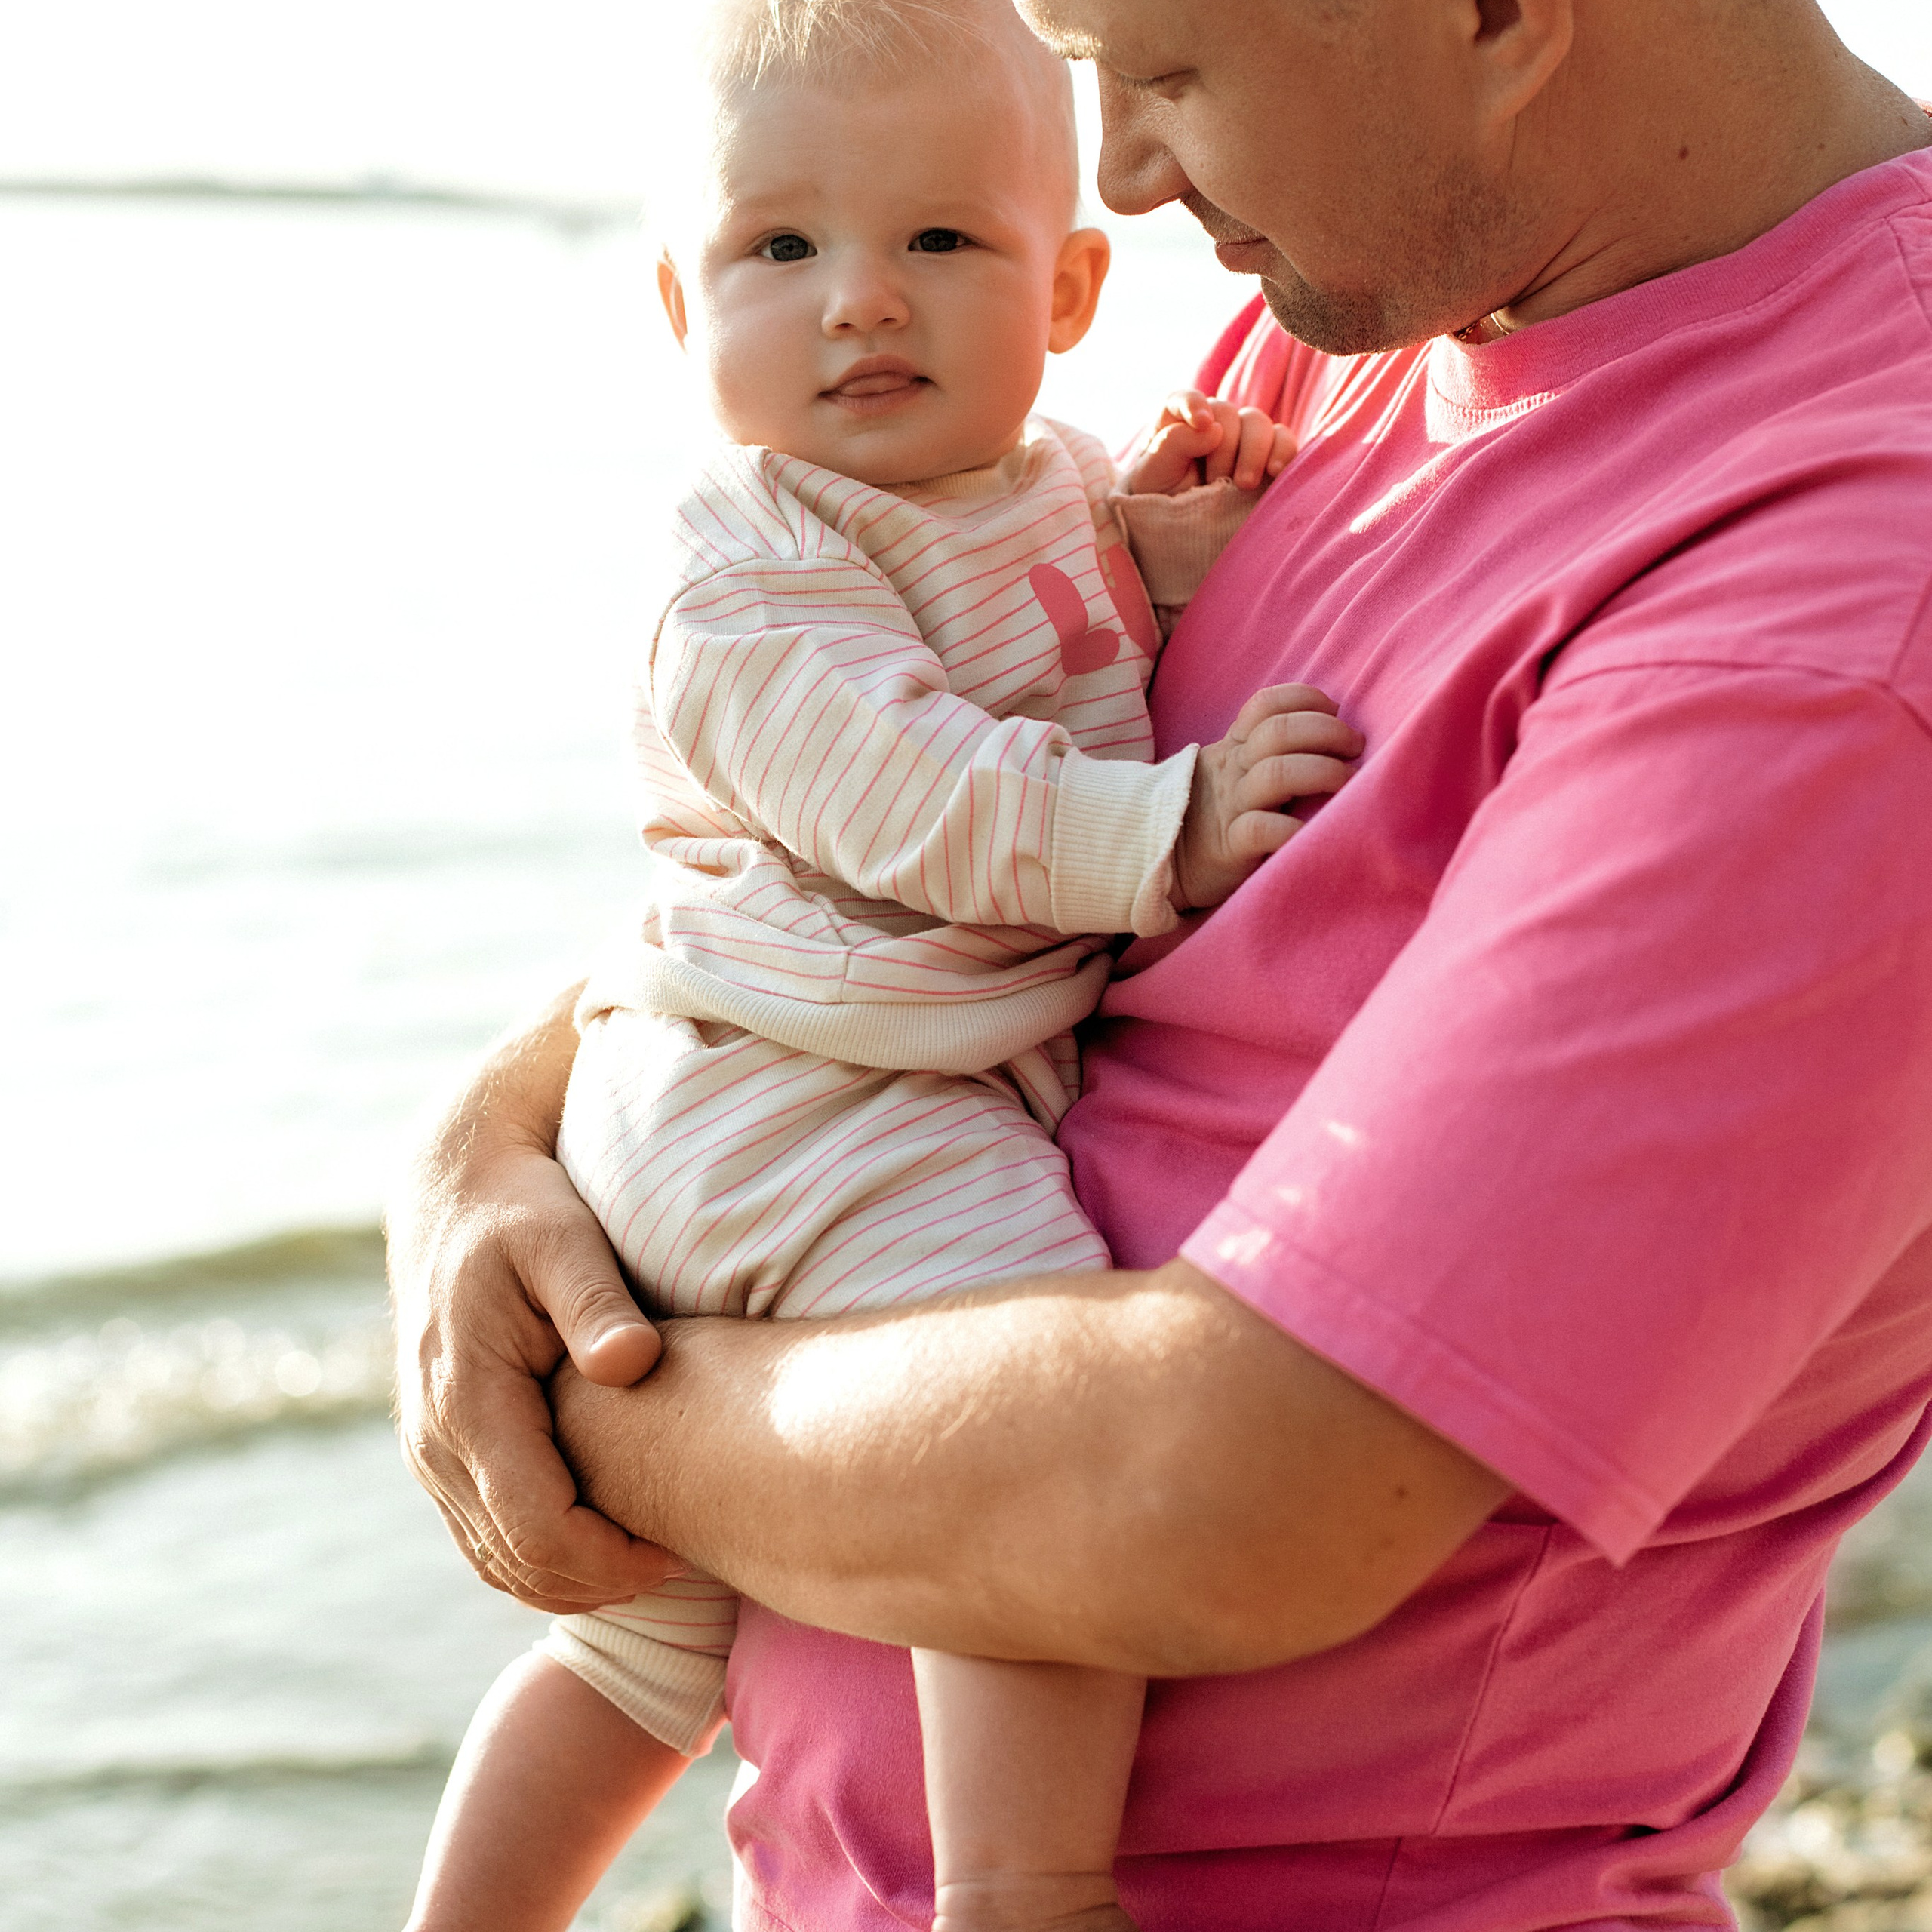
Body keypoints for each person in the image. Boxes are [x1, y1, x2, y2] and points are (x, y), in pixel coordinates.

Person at [388, 1, 1932, 1927]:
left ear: (1494, 15)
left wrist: (601, 1408)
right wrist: (485, 1147)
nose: (1116, 167)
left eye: (1164, 67)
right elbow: (865, 843)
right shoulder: (1360, 307)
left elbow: (1224, 1503)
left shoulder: (1839, 584)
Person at [401, 5, 1346, 1929]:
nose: (859, 305)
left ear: (1069, 285)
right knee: (1023, 1409)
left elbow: (1057, 627)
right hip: (777, 1085)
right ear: (681, 302)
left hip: (830, 1075)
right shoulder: (733, 567)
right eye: (781, 249)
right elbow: (909, 789)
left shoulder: (1038, 474)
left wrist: (1174, 545)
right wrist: (1161, 827)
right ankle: (1020, 1884)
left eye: (938, 243)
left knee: (650, 1644)